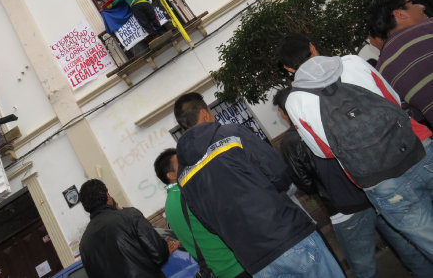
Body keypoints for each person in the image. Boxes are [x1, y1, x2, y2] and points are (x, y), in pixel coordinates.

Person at [279, 34, 433, 260]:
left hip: (379, 180)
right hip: (418, 147)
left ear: (288, 68)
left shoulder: (294, 100)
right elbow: (394, 100)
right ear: (312, 46)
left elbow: (324, 151)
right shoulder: (352, 62)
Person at [173, 92, 344, 277]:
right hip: (287, 234)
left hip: (255, 261)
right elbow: (280, 174)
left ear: (183, 127)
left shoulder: (183, 175)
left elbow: (208, 223)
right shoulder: (232, 134)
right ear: (205, 113)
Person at [273, 87, 433, 278]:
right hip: (373, 190)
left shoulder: (290, 141)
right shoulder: (328, 118)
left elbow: (304, 182)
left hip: (345, 209)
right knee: (408, 247)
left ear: (285, 111)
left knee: (363, 267)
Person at [154, 148, 250, 278]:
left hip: (218, 270)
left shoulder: (169, 204)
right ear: (171, 175)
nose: (187, 164)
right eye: (180, 163)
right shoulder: (189, 192)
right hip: (236, 264)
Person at [78, 179, 178, 278]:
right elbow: (158, 254)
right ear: (107, 196)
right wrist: (165, 250)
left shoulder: (84, 245)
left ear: (86, 207)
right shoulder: (129, 216)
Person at [367, 0, 433, 128]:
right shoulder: (429, 27)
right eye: (413, 2)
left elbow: (412, 118)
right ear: (399, 14)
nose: (422, 7)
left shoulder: (383, 71)